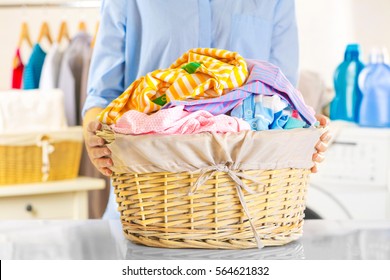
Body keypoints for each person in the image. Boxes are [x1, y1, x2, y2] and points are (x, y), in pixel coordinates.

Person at [83, 0, 331, 218]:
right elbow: (101, 97)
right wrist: (94, 135)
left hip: (246, 206)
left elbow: (284, 98)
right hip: (149, 198)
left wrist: (304, 132)